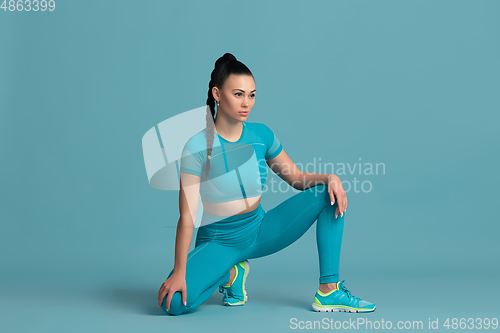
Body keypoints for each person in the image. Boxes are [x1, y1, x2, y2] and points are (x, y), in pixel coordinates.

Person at [157, 53, 376, 315]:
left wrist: (331, 178)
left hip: (260, 230)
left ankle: (329, 290)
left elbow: (295, 178)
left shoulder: (261, 135)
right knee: (174, 304)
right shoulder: (196, 146)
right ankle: (231, 275)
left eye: (252, 95)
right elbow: (187, 216)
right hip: (219, 241)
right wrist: (180, 271)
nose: (246, 103)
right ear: (217, 93)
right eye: (238, 94)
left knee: (328, 194)